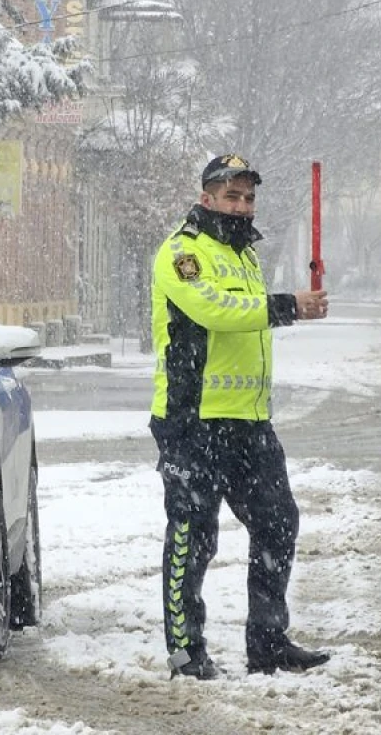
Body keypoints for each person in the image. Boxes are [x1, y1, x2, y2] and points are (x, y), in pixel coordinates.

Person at [150, 154, 330, 680]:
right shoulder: (182, 252)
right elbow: (217, 312)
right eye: (232, 195)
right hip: (192, 420)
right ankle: (186, 650)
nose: (242, 205)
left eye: (248, 197)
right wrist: (289, 306)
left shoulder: (245, 256)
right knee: (193, 534)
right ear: (207, 197)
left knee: (278, 524)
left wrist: (291, 306)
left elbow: (246, 318)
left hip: (249, 422)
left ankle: (268, 644)